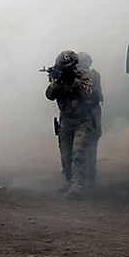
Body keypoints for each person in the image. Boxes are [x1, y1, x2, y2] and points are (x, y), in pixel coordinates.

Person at [45, 50, 94, 200]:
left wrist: (74, 81)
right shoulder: (58, 77)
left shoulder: (82, 76)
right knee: (65, 156)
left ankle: (77, 186)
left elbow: (90, 93)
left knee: (78, 153)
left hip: (82, 121)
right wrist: (58, 82)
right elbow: (49, 95)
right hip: (66, 121)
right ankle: (68, 181)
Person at [77, 51, 103, 187]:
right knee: (86, 149)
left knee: (88, 148)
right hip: (82, 116)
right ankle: (84, 178)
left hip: (90, 115)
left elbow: (95, 96)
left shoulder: (92, 76)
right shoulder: (92, 75)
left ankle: (87, 177)